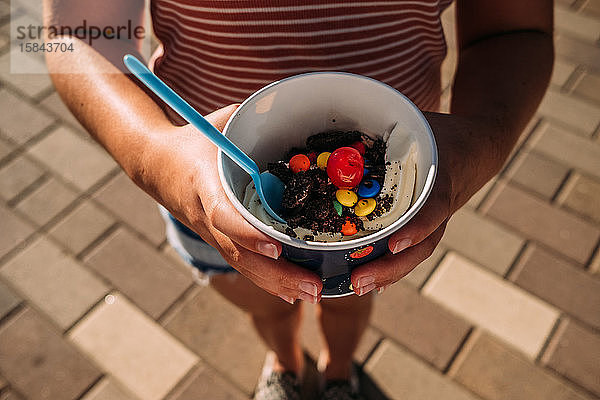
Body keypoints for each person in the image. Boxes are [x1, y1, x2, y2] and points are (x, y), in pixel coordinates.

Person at [44, 1, 554, 399]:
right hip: (203, 195)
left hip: (389, 208)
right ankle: (285, 361)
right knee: (264, 305)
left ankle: (337, 370)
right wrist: (158, 157)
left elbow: (514, 28)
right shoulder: (194, 185)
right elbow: (78, 32)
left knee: (353, 299)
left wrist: (482, 139)